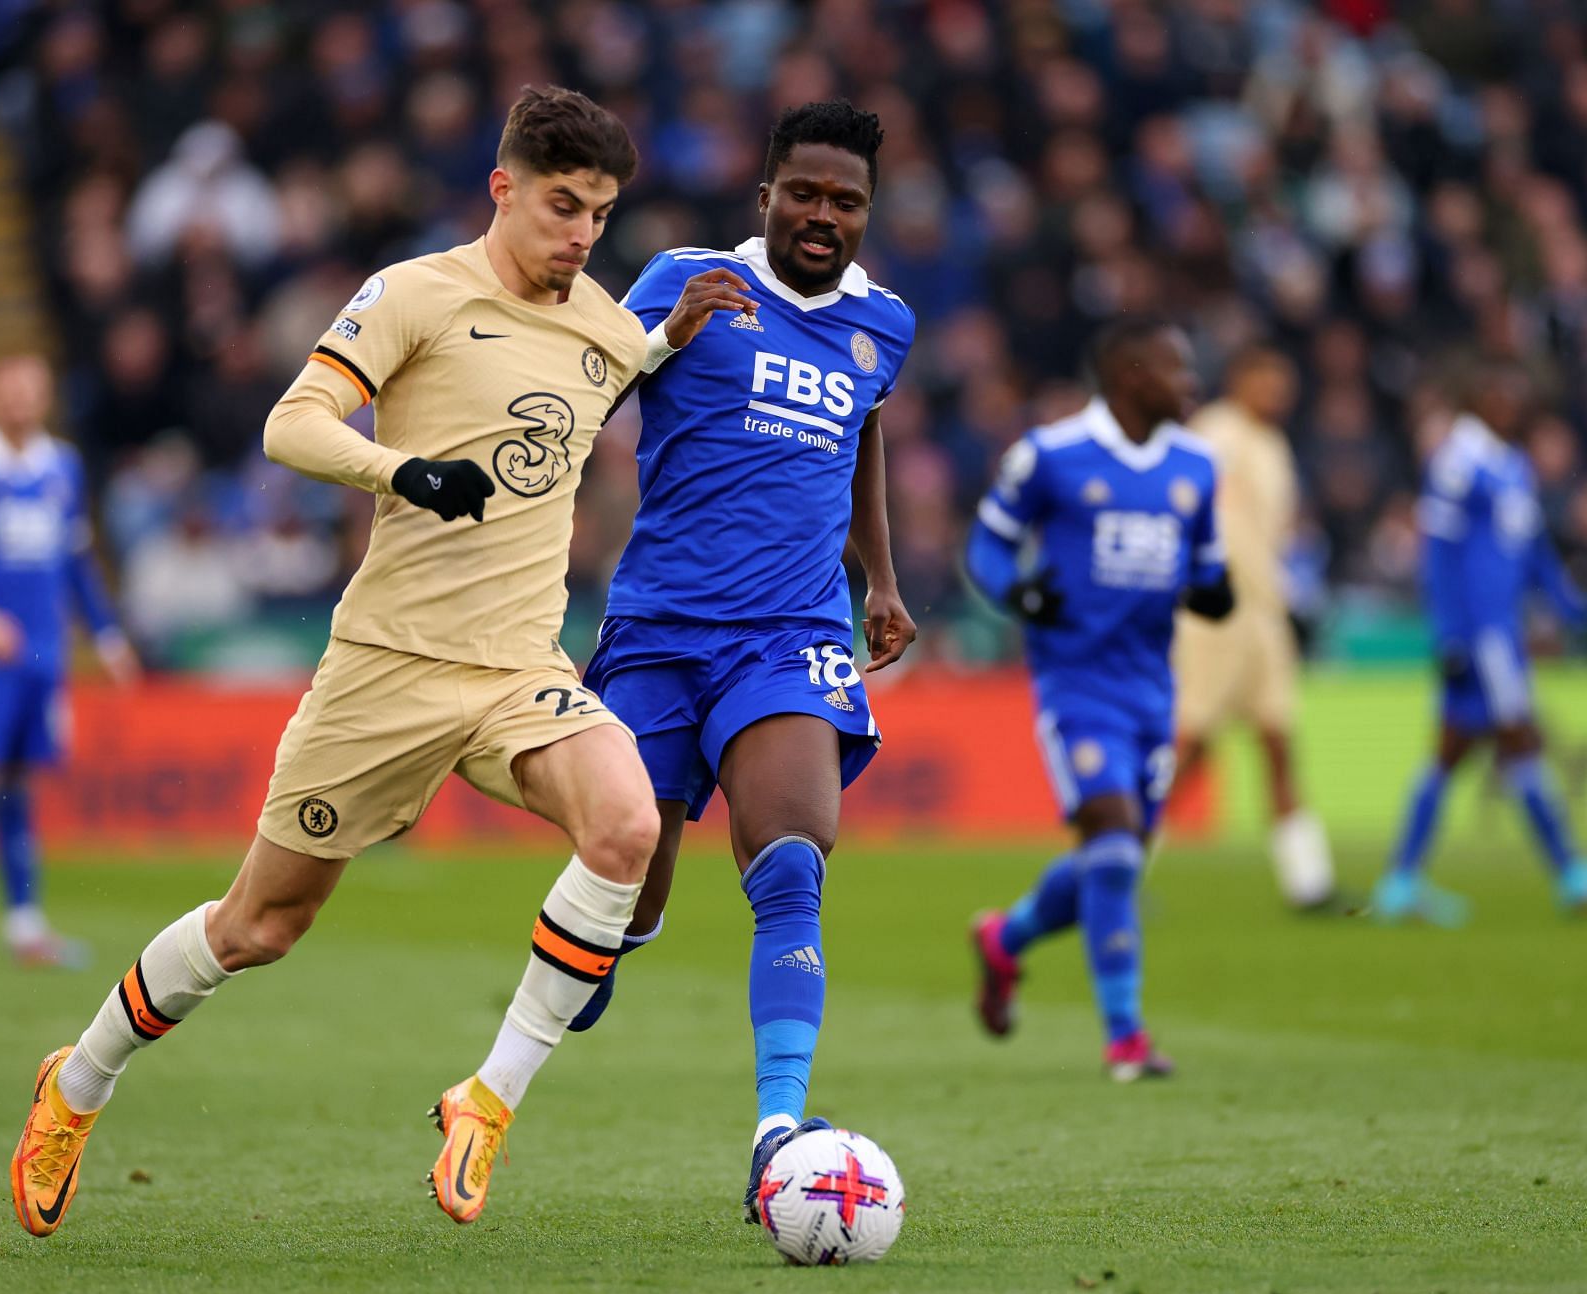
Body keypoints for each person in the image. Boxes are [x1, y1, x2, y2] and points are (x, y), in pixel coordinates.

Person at [9, 86, 660, 1238]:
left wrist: (687, 332)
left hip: (519, 668)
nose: (581, 236)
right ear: (502, 188)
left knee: (627, 825)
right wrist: (402, 471)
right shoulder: (413, 293)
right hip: (386, 670)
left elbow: (643, 379)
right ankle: (78, 1083)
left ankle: (487, 1099)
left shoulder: (608, 329)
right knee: (258, 929)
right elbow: (290, 425)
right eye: (563, 206)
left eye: (602, 215)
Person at [572, 101, 918, 1219]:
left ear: (869, 211)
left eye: (847, 200)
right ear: (764, 196)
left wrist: (884, 577)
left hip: (791, 635)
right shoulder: (685, 277)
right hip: (662, 627)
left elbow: (864, 429)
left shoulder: (886, 326)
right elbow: (589, 389)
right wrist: (664, 337)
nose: (824, 216)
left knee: (789, 864)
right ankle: (612, 942)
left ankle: (778, 1126)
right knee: (627, 883)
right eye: (805, 194)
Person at [964, 318, 1233, 1081]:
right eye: (1178, 369)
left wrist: (1217, 594)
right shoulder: (1051, 455)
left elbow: (1208, 569)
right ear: (1129, 374)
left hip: (1153, 687)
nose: (1191, 384)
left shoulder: (1197, 466)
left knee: (1112, 861)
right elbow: (985, 544)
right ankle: (1126, 1038)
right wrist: (1019, 593)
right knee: (1113, 850)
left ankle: (1004, 939)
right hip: (1075, 685)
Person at [0, 355, 139, 971]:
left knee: (16, 786)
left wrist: (109, 636)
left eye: (32, 390)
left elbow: (76, 564)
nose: (21, 401)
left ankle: (24, 927)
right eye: (10, 390)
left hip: (45, 654)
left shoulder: (60, 466)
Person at [1372, 363, 1587, 924]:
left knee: (1452, 753)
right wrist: (1450, 634)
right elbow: (1439, 556)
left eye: (1516, 392)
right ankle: (1570, 873)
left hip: (1504, 634)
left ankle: (1401, 879)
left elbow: (1532, 550)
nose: (1510, 402)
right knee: (1520, 743)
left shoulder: (1513, 465)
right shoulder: (1456, 463)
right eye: (1499, 391)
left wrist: (1570, 608)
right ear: (1475, 397)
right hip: (1481, 638)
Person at [1172, 345, 1337, 909]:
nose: (1278, 391)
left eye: (1283, 380)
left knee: (1278, 741)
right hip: (1218, 614)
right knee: (1190, 743)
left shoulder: (1273, 444)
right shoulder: (1217, 432)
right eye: (1267, 378)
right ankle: (1116, 864)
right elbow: (1184, 503)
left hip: (1265, 616)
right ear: (1240, 378)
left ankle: (1309, 882)